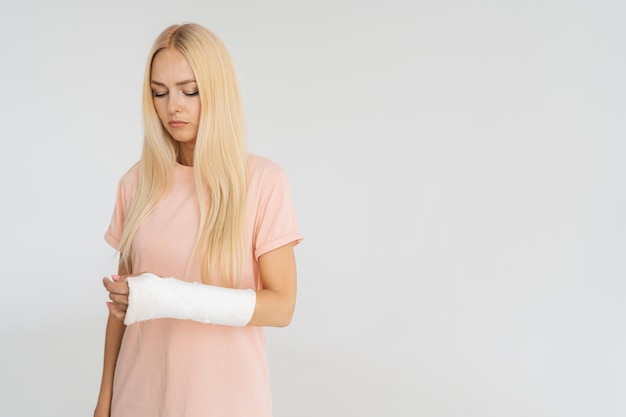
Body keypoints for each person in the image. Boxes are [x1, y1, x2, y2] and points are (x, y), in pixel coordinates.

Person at [94, 23, 302, 417]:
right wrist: (104, 400)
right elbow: (121, 309)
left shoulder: (263, 182)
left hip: (228, 402)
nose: (173, 106)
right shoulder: (135, 183)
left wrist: (171, 297)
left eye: (189, 91)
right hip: (138, 396)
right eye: (160, 92)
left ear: (218, 90)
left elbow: (282, 307)